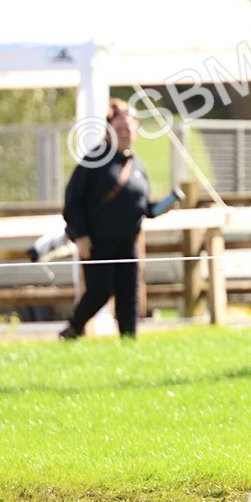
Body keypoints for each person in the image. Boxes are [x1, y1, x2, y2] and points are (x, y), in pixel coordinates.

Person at [59, 100, 150, 340]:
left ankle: (129, 342)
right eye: (119, 129)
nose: (125, 133)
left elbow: (142, 205)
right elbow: (73, 199)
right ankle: (73, 329)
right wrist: (80, 235)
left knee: (129, 292)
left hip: (128, 241)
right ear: (108, 131)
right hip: (97, 242)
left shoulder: (136, 164)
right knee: (100, 290)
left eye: (128, 129)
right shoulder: (96, 158)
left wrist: (162, 206)